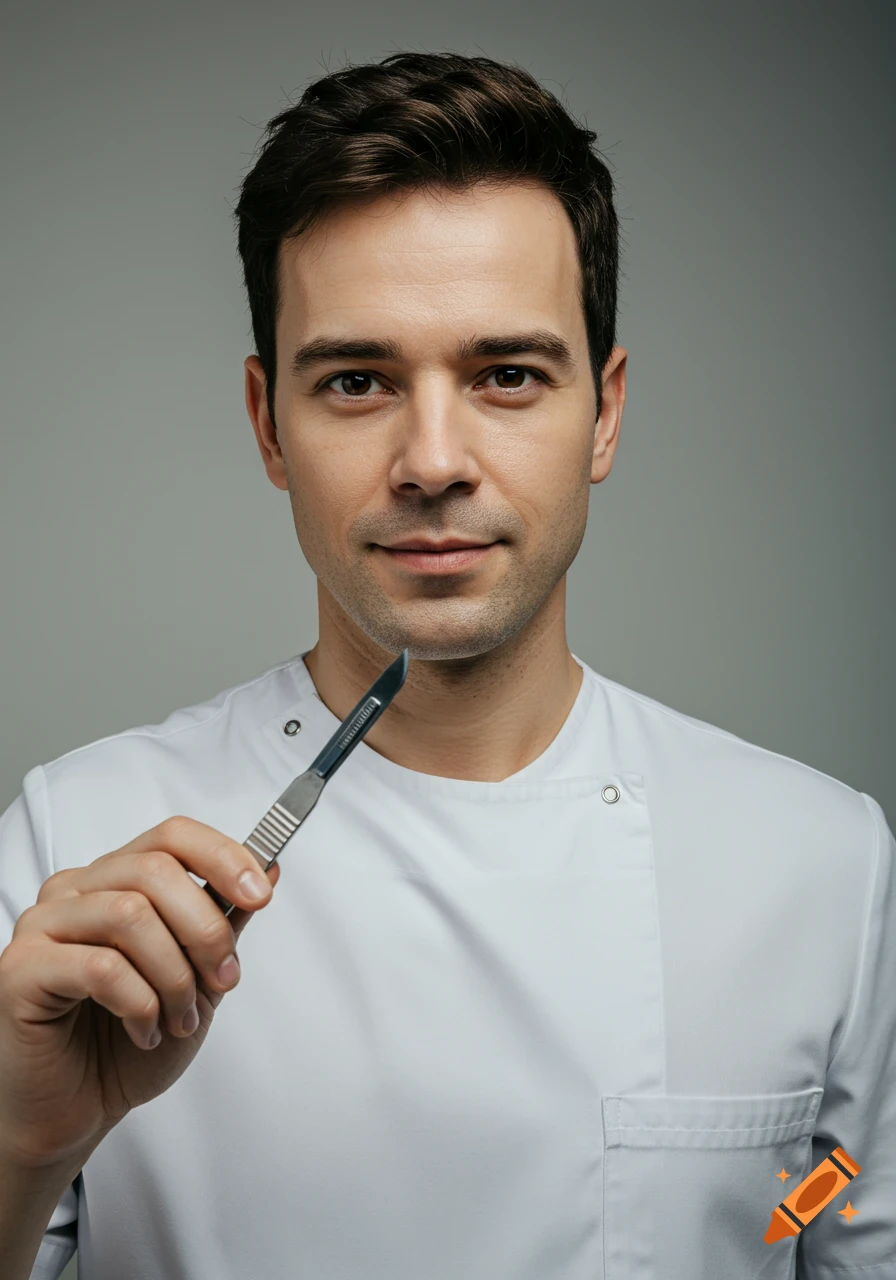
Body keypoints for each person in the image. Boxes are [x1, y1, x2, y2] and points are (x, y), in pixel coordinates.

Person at [0, 50, 893, 1280]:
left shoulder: (820, 866)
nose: (432, 460)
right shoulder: (70, 856)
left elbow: (824, 1216)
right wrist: (20, 1147)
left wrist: (762, 1225)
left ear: (604, 412)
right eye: (357, 380)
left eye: (505, 375)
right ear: (269, 423)